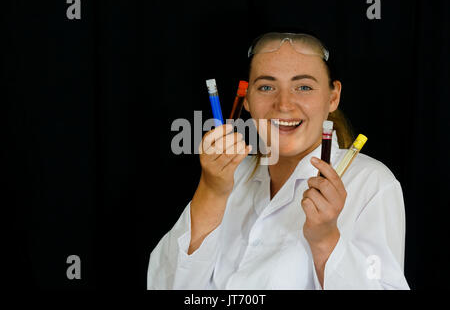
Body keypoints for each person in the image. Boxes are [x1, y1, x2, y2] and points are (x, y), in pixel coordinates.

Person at [147, 31, 410, 289]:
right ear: (247, 98)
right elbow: (163, 284)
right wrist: (211, 192)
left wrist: (325, 240)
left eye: (304, 87)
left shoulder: (371, 184)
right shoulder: (229, 175)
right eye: (267, 87)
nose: (284, 104)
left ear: (333, 97)